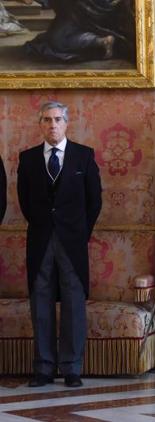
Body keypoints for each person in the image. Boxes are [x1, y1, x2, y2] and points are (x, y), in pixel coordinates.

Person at [17, 101, 102, 388]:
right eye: (46, 120)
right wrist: (45, 226)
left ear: (66, 123)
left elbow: (95, 201)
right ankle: (43, 368)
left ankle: (71, 368)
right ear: (40, 124)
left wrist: (79, 232)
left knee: (73, 304)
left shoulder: (83, 156)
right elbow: (25, 202)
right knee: (40, 303)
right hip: (40, 240)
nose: (52, 125)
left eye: (57, 119)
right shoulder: (27, 159)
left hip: (73, 242)